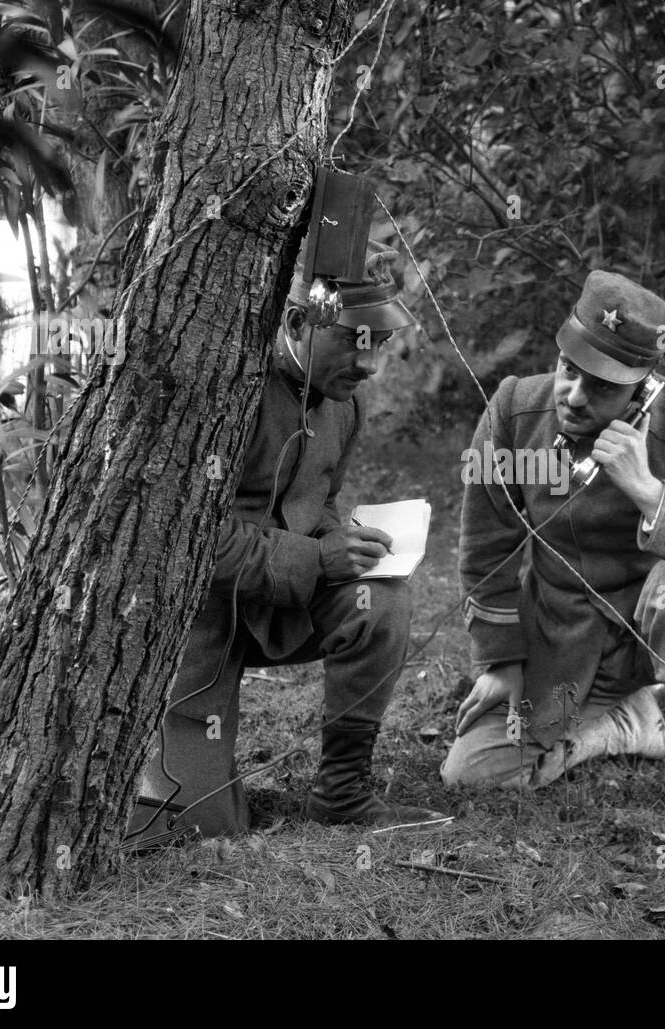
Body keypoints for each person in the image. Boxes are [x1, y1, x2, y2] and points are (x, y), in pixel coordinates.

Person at [126, 242, 445, 849]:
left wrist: (338, 539)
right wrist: (317, 558)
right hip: (199, 624)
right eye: (356, 339)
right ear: (298, 322)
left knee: (381, 604)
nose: (371, 362)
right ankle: (186, 773)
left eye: (380, 342)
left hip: (283, 605)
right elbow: (189, 538)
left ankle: (343, 792)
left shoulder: (344, 406)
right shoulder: (225, 394)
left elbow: (315, 499)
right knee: (194, 825)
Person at [441, 271, 665, 811]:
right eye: (569, 370)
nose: (573, 396)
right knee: (474, 772)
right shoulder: (514, 410)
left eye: (602, 386)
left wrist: (649, 492)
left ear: (642, 388)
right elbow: (485, 546)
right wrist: (499, 662)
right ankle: (627, 723)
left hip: (653, 636)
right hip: (562, 639)